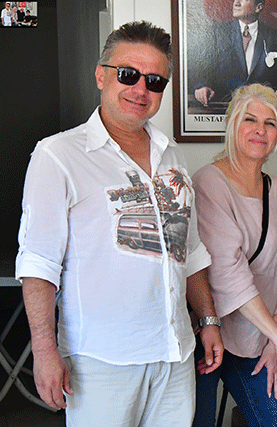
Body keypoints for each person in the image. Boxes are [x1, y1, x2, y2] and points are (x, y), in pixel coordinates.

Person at [16, 21, 223, 426]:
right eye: (128, 74)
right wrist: (43, 350)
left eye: (155, 81)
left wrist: (208, 320)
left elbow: (190, 250)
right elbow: (39, 262)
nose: (140, 89)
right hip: (101, 361)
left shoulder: (172, 155)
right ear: (101, 75)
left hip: (175, 353)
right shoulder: (58, 155)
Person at [191, 83, 277, 427]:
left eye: (270, 123)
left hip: (257, 340)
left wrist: (273, 340)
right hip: (207, 336)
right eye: (250, 119)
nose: (260, 130)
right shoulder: (208, 183)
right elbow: (227, 273)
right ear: (232, 125)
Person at [190, 0, 277, 106]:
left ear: (258, 7)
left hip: (259, 106)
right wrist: (201, 86)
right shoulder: (217, 33)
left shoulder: (275, 38)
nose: (236, 3)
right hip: (222, 106)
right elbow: (200, 67)